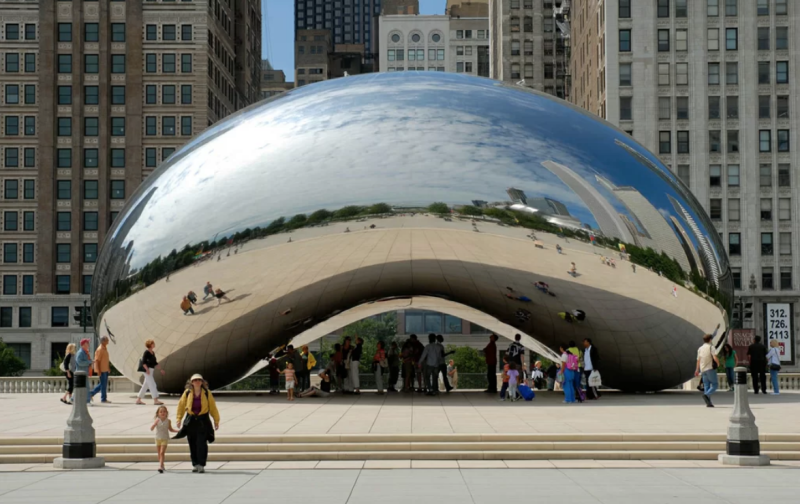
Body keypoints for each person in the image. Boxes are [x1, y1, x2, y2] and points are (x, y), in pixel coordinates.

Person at [175, 374, 220, 473]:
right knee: (192, 443)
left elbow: (213, 407)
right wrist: (179, 419)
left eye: (199, 380)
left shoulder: (207, 393)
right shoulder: (187, 393)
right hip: (191, 420)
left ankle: (201, 464)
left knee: (202, 443)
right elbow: (181, 406)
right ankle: (195, 464)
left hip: (202, 420)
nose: (197, 382)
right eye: (195, 380)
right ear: (191, 382)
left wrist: (216, 420)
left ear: (202, 382)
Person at [136, 339, 165, 406]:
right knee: (152, 384)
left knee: (145, 385)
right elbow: (143, 362)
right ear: (150, 345)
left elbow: (155, 363)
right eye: (153, 343)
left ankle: (138, 399)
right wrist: (147, 369)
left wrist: (161, 369)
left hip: (151, 370)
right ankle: (155, 400)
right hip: (147, 370)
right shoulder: (146, 352)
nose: (154, 344)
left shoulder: (153, 352)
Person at [150, 405, 178, 473]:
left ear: (166, 413)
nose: (163, 413)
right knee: (159, 453)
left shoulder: (168, 421)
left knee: (162, 452)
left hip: (164, 438)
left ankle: (160, 466)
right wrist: (154, 425)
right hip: (157, 438)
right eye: (161, 412)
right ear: (158, 413)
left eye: (164, 412)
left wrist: (178, 431)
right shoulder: (157, 420)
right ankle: (162, 464)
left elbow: (170, 429)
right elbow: (151, 429)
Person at [695, 334, 719, 407]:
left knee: (706, 386)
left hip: (703, 369)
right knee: (715, 384)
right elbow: (714, 357)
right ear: (710, 340)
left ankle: (709, 403)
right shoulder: (711, 347)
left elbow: (698, 360)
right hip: (710, 368)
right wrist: (718, 363)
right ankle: (706, 394)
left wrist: (697, 370)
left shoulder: (700, 348)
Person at [89, 335, 111, 404]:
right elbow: (97, 361)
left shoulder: (105, 348)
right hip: (102, 370)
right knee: (103, 385)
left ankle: (91, 394)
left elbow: (105, 360)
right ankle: (103, 399)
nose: (108, 341)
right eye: (107, 340)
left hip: (105, 369)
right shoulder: (100, 349)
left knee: (102, 384)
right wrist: (98, 371)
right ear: (103, 341)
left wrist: (108, 368)